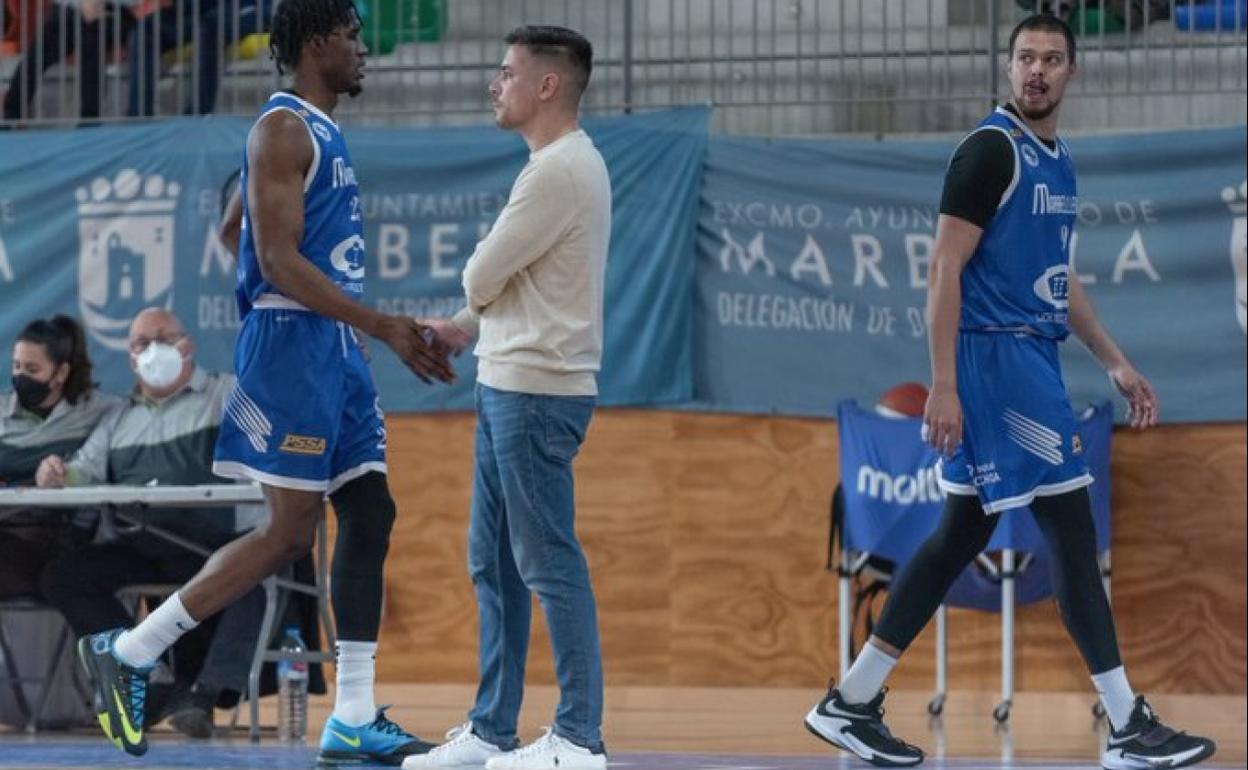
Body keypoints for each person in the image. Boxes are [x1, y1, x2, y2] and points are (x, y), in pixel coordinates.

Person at [803, 15, 1217, 770]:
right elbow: (943, 273)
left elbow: (1062, 286)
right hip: (996, 370)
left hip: (1031, 362)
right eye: (1025, 57)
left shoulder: (1057, 162)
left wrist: (1116, 361)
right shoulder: (991, 152)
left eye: (1051, 60)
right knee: (1069, 528)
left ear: (1072, 73)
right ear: (1007, 65)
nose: (1036, 70)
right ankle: (1128, 722)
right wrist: (945, 386)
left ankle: (854, 699)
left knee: (961, 534)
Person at [74, 0, 454, 761]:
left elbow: (245, 232)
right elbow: (275, 261)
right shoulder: (281, 128)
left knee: (370, 510)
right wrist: (378, 322)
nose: (362, 49)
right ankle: (134, 649)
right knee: (287, 532)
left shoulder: (320, 131)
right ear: (317, 43)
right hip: (290, 344)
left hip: (332, 346)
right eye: (350, 35)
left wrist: (359, 326)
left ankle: (350, 715)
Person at [407, 25, 611, 770]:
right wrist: (465, 330)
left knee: (548, 561)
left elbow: (483, 273)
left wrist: (468, 304)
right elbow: (513, 286)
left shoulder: (558, 171)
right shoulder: (557, 167)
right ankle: (493, 728)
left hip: (534, 395)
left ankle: (580, 736)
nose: (495, 84)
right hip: (506, 384)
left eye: (506, 72)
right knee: (492, 562)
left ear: (547, 86)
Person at [36, 307, 267, 740]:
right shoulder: (118, 420)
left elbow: (268, 452)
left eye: (164, 337)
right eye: (141, 343)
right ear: (129, 358)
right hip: (144, 548)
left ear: (188, 345)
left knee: (252, 576)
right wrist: (55, 474)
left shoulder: (228, 396)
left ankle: (201, 695)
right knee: (63, 575)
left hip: (213, 549)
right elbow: (79, 473)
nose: (153, 349)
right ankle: (149, 672)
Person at [1, 314, 121, 597]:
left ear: (61, 373)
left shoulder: (101, 411)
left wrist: (64, 473)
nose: (21, 377)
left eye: (32, 369)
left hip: (59, 540)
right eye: (16, 366)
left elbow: (96, 468)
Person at [127, 0, 272, 117]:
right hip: (201, 11)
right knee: (146, 28)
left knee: (211, 26)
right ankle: (139, 113)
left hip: (248, 8)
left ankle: (198, 112)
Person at [1, 0, 135, 124]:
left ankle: (90, 119)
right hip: (72, 9)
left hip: (114, 11)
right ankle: (12, 114)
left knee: (92, 44)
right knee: (39, 50)